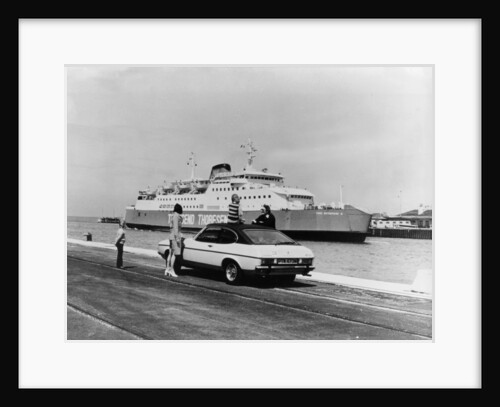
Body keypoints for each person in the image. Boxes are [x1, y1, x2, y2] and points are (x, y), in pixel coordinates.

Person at [165, 203, 183, 277]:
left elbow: (171, 227)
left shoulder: (172, 215)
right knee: (175, 255)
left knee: (170, 253)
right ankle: (172, 270)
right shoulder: (176, 216)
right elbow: (176, 228)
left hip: (171, 236)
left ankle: (167, 269)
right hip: (175, 237)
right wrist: (178, 238)